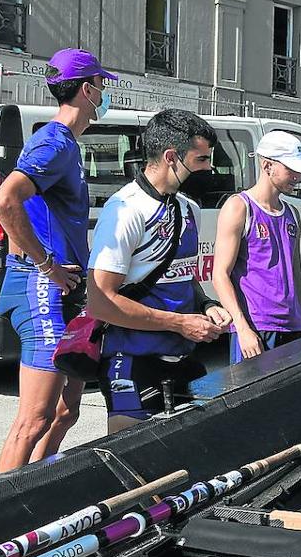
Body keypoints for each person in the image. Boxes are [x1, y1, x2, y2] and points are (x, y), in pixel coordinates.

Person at [0, 49, 114, 472]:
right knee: (35, 418)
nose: (104, 93)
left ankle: (38, 491)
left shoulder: (68, 145)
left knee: (67, 413)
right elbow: (4, 200)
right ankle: (2, 515)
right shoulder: (52, 143)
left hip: (68, 291)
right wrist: (47, 265)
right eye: (102, 86)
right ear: (87, 89)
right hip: (41, 287)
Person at [86, 110, 233, 433]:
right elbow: (100, 302)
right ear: (171, 157)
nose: (209, 169)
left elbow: (181, 275)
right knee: (134, 466)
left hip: (181, 359)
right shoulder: (125, 210)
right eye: (201, 159)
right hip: (132, 359)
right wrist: (181, 323)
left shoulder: (187, 208)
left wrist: (207, 305)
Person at [211, 130, 301, 363]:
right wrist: (243, 328)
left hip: (292, 329)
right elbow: (219, 275)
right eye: (291, 169)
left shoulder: (292, 214)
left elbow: (297, 277)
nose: (298, 176)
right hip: (256, 328)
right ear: (267, 166)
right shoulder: (239, 207)